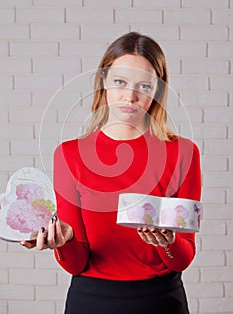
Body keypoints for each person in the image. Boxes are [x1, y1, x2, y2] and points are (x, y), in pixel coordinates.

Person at [21, 32, 202, 314]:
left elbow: (183, 258)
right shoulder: (69, 155)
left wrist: (170, 242)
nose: (130, 97)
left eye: (144, 85)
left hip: (162, 301)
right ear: (103, 81)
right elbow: (76, 264)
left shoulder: (184, 153)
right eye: (120, 82)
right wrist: (65, 241)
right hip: (91, 301)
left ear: (158, 90)